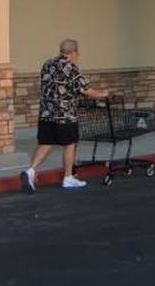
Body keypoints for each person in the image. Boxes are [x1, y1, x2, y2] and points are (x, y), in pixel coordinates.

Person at [20, 39, 109, 193]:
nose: (77, 56)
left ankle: (31, 171)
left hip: (47, 113)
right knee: (70, 144)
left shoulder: (47, 64)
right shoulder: (71, 68)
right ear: (73, 52)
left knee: (46, 143)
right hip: (65, 115)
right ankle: (68, 178)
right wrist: (103, 94)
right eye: (77, 53)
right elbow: (85, 91)